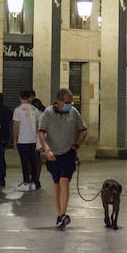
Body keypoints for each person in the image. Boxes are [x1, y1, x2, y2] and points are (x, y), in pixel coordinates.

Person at [38, 87, 87, 229]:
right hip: (53, 154)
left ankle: (63, 214)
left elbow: (83, 130)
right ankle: (59, 214)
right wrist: (46, 149)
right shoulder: (48, 113)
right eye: (67, 102)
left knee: (64, 181)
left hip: (68, 153)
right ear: (58, 101)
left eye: (71, 102)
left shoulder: (74, 112)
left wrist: (77, 144)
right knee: (57, 184)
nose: (69, 105)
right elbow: (41, 133)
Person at [12, 90, 42, 191]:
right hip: (32, 140)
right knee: (33, 162)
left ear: (20, 98)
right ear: (29, 98)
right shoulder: (35, 110)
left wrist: (15, 140)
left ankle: (26, 182)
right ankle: (33, 182)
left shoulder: (18, 110)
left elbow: (16, 126)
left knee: (24, 162)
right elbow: (38, 125)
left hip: (23, 140)